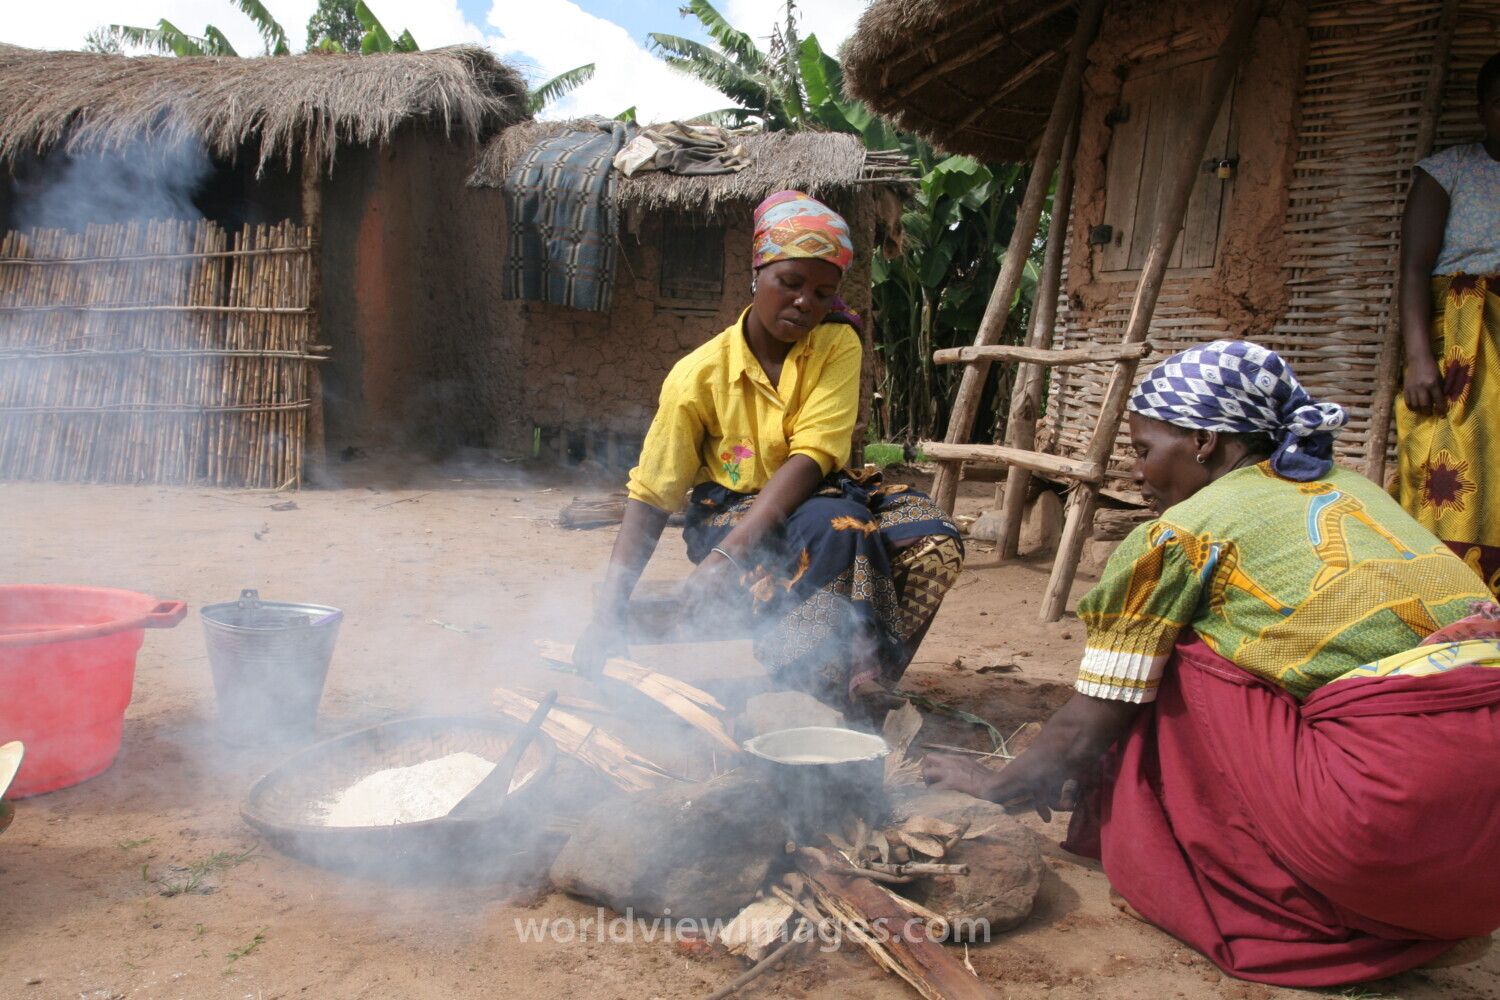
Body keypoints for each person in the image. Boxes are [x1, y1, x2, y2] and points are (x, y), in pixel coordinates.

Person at [924, 340, 1500, 987]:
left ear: (1202, 439)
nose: (1138, 475)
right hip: (1483, 858)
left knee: (1173, 655)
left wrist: (995, 786)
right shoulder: (1360, 490)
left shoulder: (1185, 531)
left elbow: (1092, 721)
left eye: (1144, 451)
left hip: (1385, 830)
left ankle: (1259, 891)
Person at [574, 191, 962, 706]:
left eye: (823, 293)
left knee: (933, 538)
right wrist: (610, 609)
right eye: (791, 283)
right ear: (756, 274)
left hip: (817, 495)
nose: (806, 303)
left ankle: (858, 675)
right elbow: (652, 495)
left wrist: (729, 560)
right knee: (838, 529)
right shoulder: (698, 376)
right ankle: (807, 692)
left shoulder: (836, 343)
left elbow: (815, 455)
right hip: (729, 519)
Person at [1395, 51, 1500, 597]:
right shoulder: (1448, 171)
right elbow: (1413, 268)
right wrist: (1419, 357)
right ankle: (1449, 594)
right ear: (1483, 107)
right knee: (1455, 456)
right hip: (1463, 339)